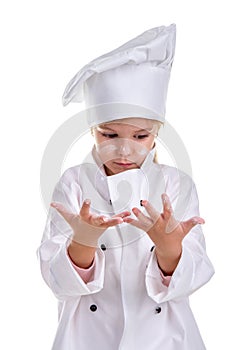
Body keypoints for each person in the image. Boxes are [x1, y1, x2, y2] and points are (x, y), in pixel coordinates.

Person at [38, 24, 214, 350]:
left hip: (166, 339)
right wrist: (83, 242)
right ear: (92, 130)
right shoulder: (74, 184)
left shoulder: (176, 185)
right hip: (87, 338)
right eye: (109, 134)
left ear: (156, 133)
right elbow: (55, 279)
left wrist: (169, 248)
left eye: (140, 136)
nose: (124, 150)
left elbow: (196, 274)